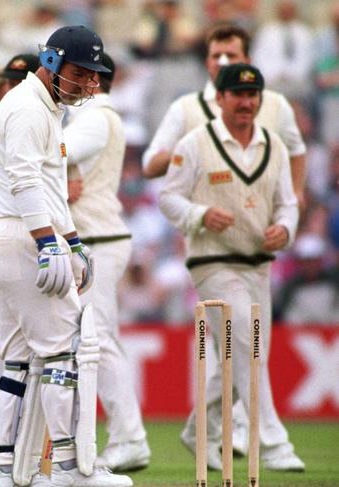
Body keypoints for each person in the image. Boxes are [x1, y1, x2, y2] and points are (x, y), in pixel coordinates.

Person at [0, 25, 133, 487]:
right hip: (20, 237)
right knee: (69, 349)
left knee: (20, 361)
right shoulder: (27, 108)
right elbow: (25, 182)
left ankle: (9, 471)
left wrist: (72, 239)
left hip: (8, 239)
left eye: (95, 76)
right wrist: (48, 242)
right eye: (82, 73)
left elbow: (48, 186)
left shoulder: (46, 109)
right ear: (50, 63)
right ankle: (70, 467)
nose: (90, 84)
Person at [159, 63, 305, 472]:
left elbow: (288, 203)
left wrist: (286, 229)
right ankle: (273, 440)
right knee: (247, 340)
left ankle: (197, 429)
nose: (246, 102)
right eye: (237, 95)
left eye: (253, 95)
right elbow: (168, 199)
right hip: (212, 264)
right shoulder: (193, 143)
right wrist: (200, 215)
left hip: (259, 265)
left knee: (240, 357)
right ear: (219, 98)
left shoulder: (273, 144)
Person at [64, 52, 150, 473]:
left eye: (81, 75)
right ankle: (119, 436)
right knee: (92, 340)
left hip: (98, 239)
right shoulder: (93, 115)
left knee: (98, 339)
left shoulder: (95, 116)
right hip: (92, 238)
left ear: (96, 81)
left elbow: (56, 151)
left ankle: (130, 438)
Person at [143, 24, 307, 211]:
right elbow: (150, 166)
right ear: (207, 62)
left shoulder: (276, 104)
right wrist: (185, 151)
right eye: (216, 56)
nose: (222, 62)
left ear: (247, 60)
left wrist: (296, 191)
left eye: (230, 56)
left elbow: (296, 150)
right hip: (209, 226)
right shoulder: (185, 108)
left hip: (266, 226)